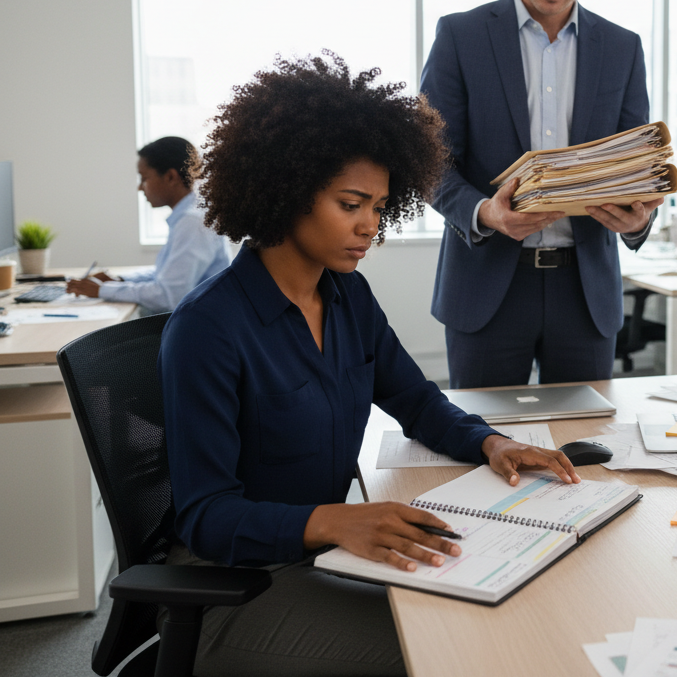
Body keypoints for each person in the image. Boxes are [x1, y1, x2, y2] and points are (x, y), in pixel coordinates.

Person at [159, 53, 580, 677]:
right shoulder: (207, 329)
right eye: (351, 203)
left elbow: (414, 398)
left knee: (509, 607)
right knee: (461, 653)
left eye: (380, 207)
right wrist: (336, 521)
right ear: (286, 190)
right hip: (236, 592)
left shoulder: (345, 293)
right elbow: (205, 516)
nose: (369, 227)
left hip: (326, 560)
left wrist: (490, 441)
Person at [421, 0, 664, 389]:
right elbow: (429, 165)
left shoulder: (623, 49)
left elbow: (635, 167)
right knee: (482, 450)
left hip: (586, 294)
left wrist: (638, 217)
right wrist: (485, 212)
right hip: (487, 286)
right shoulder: (460, 37)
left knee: (588, 455)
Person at [65, 137, 229, 313]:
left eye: (144, 178)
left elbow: (168, 296)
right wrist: (119, 280)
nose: (140, 188)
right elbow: (164, 275)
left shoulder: (193, 223)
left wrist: (101, 290)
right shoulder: (189, 216)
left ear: (170, 177)